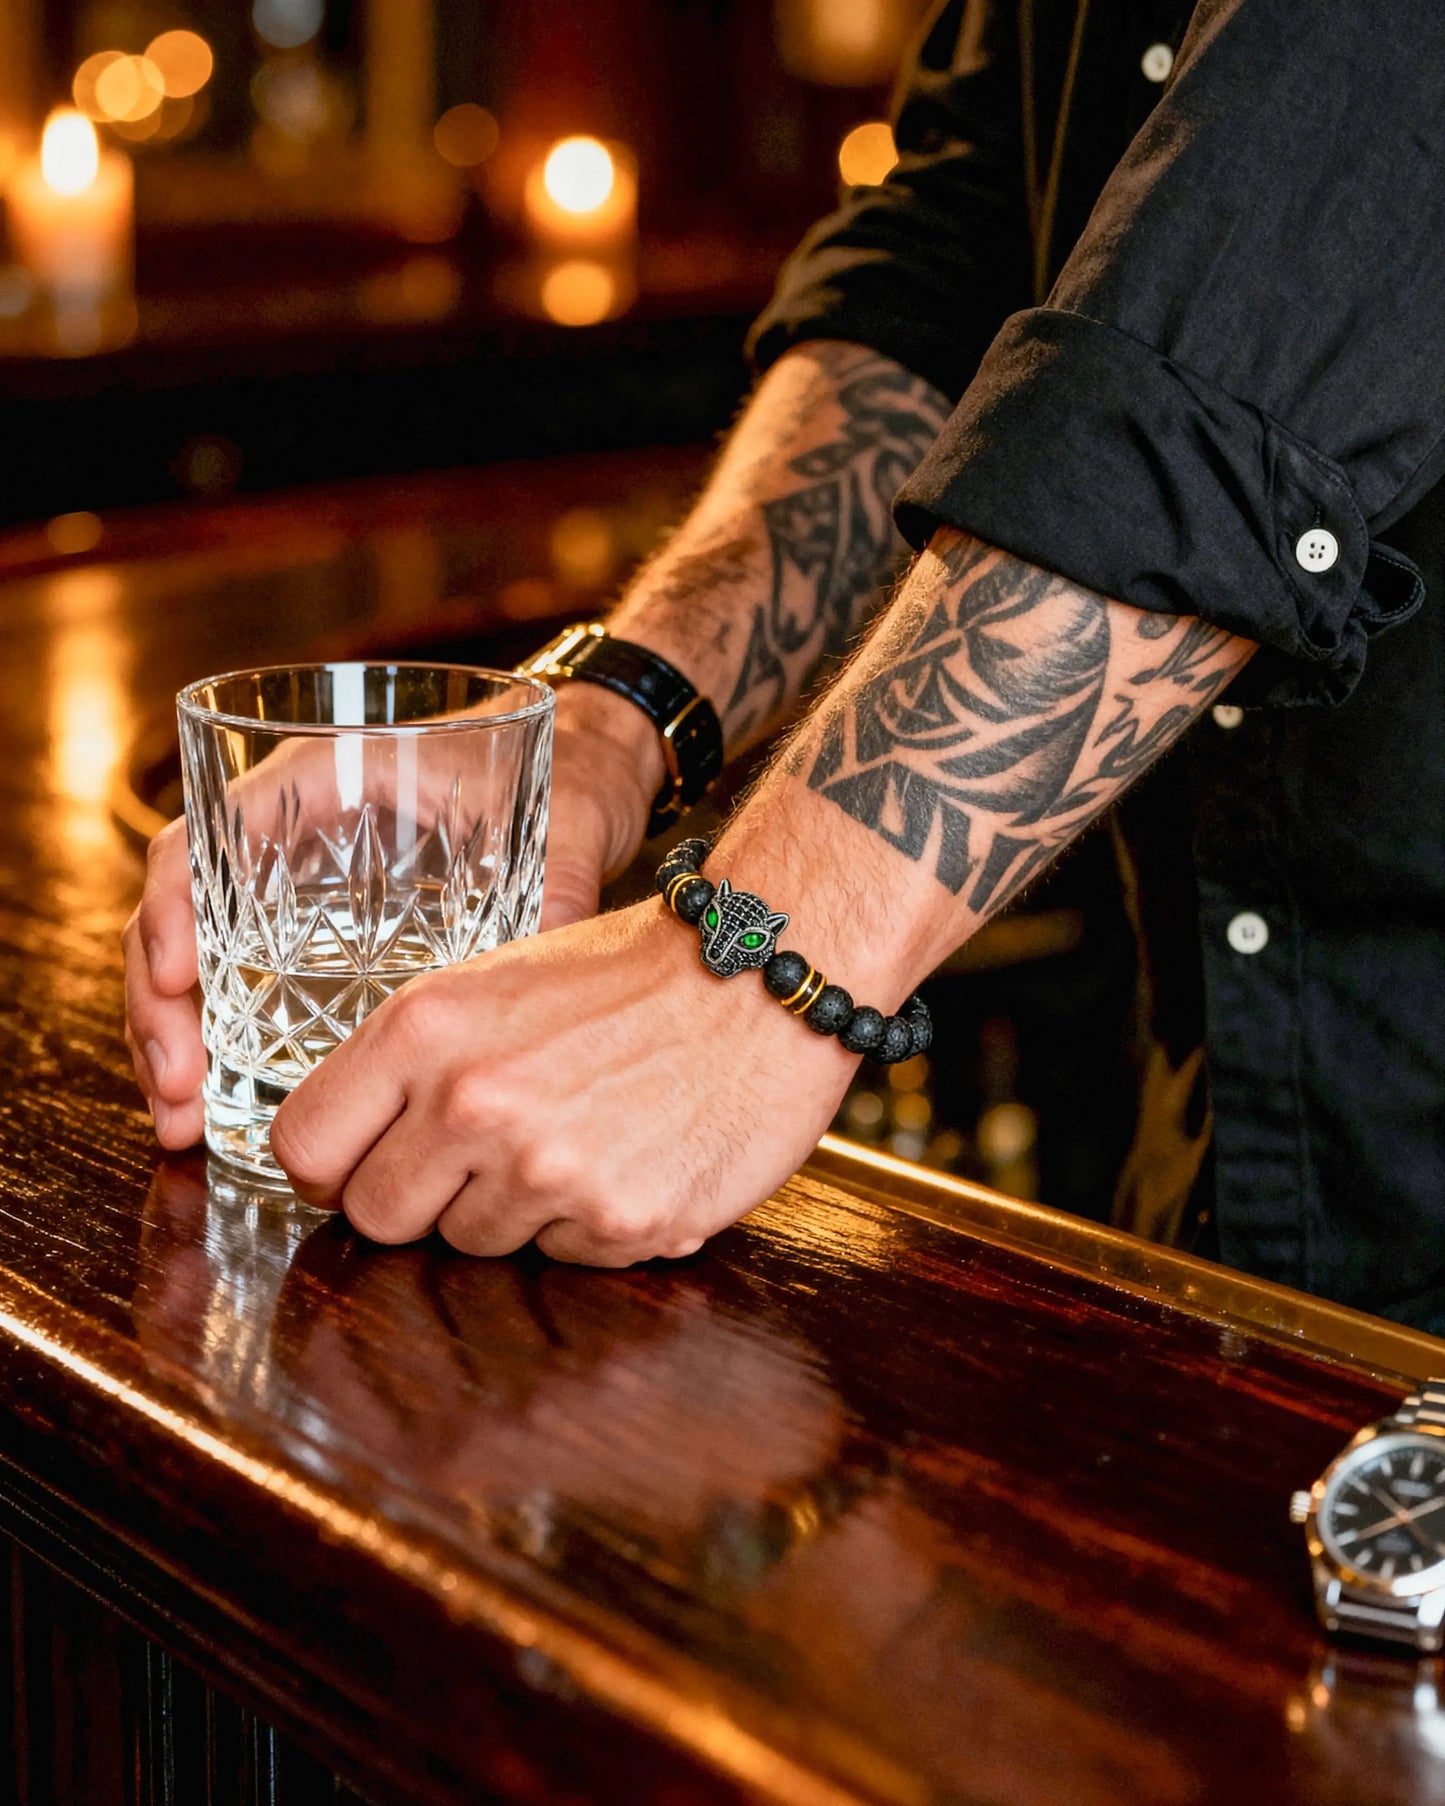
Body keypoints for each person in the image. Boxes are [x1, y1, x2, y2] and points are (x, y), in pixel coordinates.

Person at [125, 0, 1445, 1326]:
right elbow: (945, 284)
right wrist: (602, 723)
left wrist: (762, 964)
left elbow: (1339, 175)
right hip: (1221, 1194)